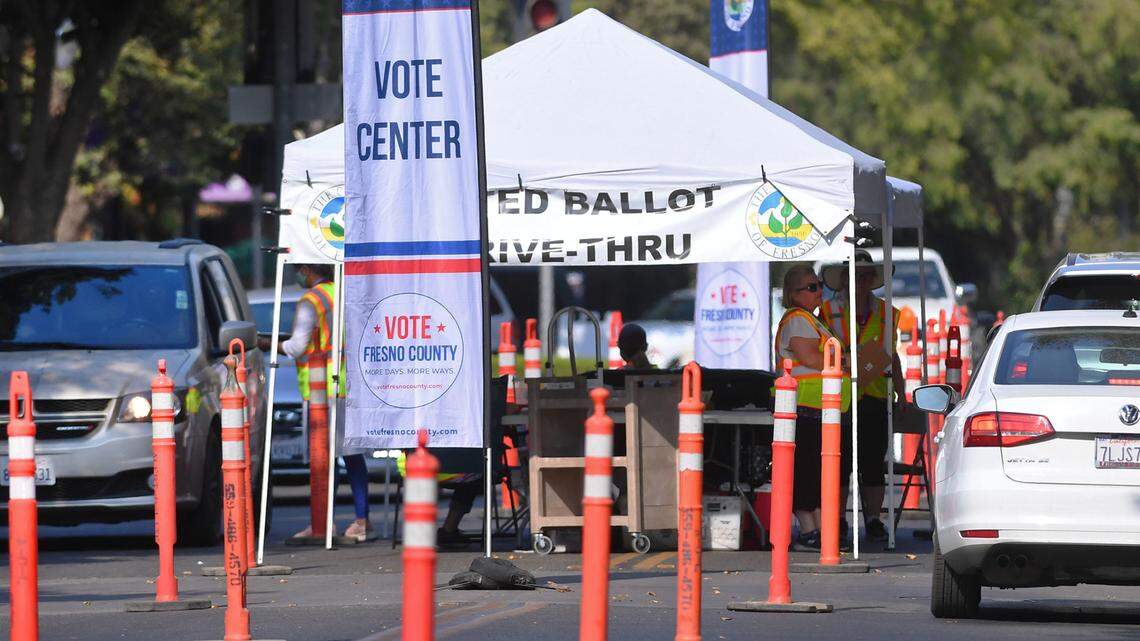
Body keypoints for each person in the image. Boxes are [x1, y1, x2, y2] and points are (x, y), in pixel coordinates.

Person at [259, 264, 375, 542]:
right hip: (350, 383)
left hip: (323, 389)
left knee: (324, 460)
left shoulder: (312, 301)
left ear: (309, 269)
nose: (298, 273)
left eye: (300, 269)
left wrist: (269, 343)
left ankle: (323, 523)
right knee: (351, 456)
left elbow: (298, 347)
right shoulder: (344, 293)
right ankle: (360, 520)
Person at [820, 250, 907, 543]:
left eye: (867, 275)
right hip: (840, 395)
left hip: (876, 395)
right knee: (839, 461)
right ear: (844, 279)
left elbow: (891, 354)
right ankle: (839, 520)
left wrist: (902, 391)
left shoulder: (887, 313)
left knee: (872, 463)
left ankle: (873, 519)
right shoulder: (827, 311)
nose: (862, 280)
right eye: (856, 275)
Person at [774, 264, 851, 550]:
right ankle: (809, 531)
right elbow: (809, 357)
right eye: (811, 287)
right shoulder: (797, 319)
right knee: (807, 470)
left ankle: (819, 530)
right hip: (804, 406)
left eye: (818, 284)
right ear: (793, 295)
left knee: (819, 469)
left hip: (819, 408)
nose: (819, 291)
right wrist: (846, 362)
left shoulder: (811, 319)